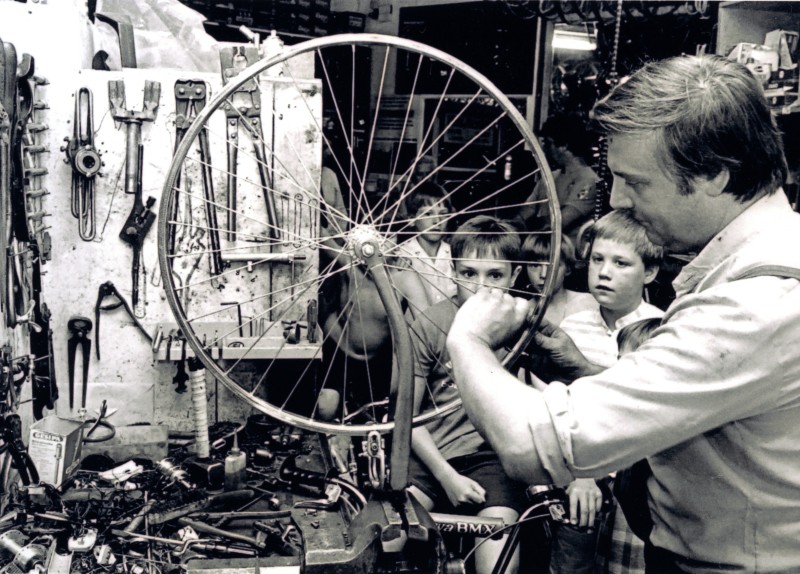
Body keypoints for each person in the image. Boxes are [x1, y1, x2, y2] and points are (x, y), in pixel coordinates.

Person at [444, 54, 800, 573]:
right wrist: (581, 372)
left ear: (715, 176)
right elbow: (708, 404)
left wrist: (469, 341)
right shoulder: (756, 263)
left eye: (636, 182)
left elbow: (531, 447)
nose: (616, 199)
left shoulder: (756, 304)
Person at [407, 215, 528, 574]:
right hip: (430, 456)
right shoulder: (428, 324)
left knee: (501, 559)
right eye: (468, 273)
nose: (480, 287)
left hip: (490, 459)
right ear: (452, 271)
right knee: (394, 541)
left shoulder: (524, 325)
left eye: (495, 275)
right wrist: (445, 475)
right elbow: (406, 419)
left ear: (515, 275)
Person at [518, 113, 600, 246]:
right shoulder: (550, 177)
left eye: (548, 143)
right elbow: (525, 213)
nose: (544, 149)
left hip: (567, 260)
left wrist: (528, 224)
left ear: (564, 145)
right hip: (539, 251)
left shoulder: (589, 181)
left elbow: (557, 223)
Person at [396, 182, 458, 306]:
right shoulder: (401, 256)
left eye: (442, 214)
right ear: (412, 220)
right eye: (428, 214)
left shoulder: (456, 254)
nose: (437, 221)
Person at [516, 233, 595, 325]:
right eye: (535, 265)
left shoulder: (587, 303)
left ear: (568, 269)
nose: (543, 274)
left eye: (552, 266)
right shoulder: (521, 311)